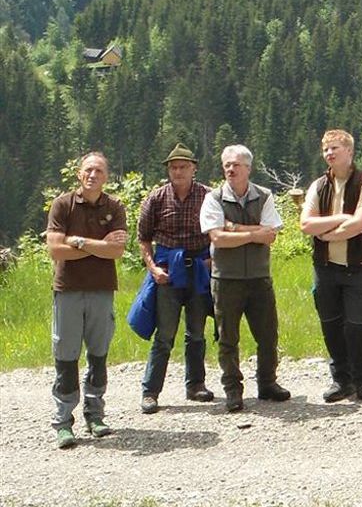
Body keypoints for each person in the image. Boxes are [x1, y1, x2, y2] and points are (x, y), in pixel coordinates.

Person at [200, 144, 292, 412]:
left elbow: (272, 234)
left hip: (259, 277)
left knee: (267, 335)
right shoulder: (213, 198)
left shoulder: (264, 196)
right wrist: (254, 234)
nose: (230, 169)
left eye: (236, 165)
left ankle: (267, 383)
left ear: (248, 169)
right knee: (227, 338)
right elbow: (217, 237)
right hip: (225, 279)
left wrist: (236, 228)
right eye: (227, 165)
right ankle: (233, 389)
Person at [46, 152, 128, 449]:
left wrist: (77, 241)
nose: (93, 175)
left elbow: (117, 251)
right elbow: (56, 249)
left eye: (99, 171)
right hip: (68, 289)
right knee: (66, 356)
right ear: (79, 174)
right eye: (88, 170)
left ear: (107, 177)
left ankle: (95, 415)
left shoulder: (115, 207)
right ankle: (63, 421)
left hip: (102, 289)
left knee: (98, 354)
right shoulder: (62, 205)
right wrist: (99, 246)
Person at [300, 129, 362, 403]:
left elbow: (360, 224)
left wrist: (328, 234)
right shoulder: (318, 186)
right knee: (331, 324)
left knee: (358, 325)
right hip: (325, 268)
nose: (330, 154)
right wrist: (342, 217)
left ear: (350, 151)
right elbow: (305, 224)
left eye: (335, 148)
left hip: (356, 267)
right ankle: (341, 381)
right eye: (326, 150)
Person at [137, 143, 215, 412]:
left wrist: (212, 260)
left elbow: (220, 231)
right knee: (165, 335)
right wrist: (153, 269)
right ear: (168, 170)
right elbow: (143, 239)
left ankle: (195, 386)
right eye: (173, 167)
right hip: (168, 271)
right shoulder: (156, 198)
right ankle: (150, 392)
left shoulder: (209, 196)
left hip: (199, 269)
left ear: (194, 168)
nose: (178, 171)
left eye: (183, 166)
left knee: (196, 332)